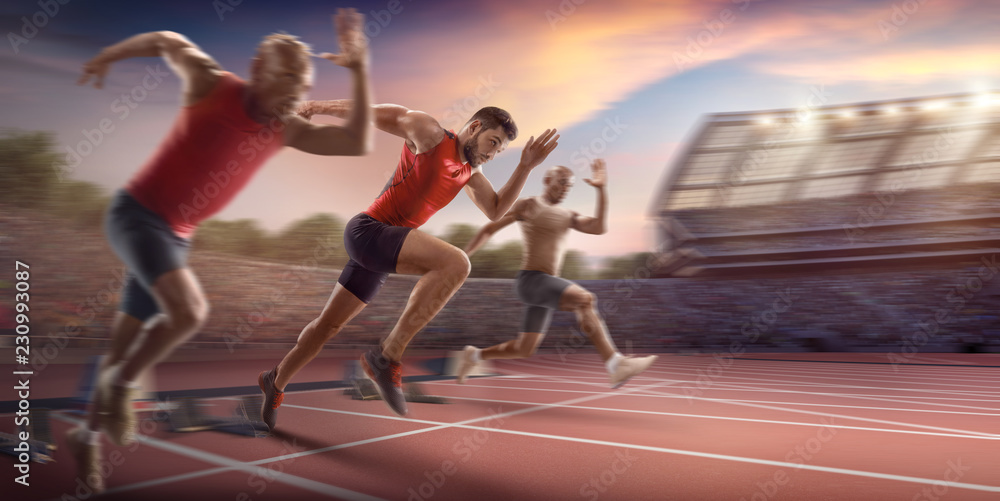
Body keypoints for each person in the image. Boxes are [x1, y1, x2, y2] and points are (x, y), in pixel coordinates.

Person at [64, 9, 373, 494]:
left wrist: (357, 70)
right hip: (135, 215)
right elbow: (169, 40)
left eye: (304, 80)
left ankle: (86, 434)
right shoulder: (211, 84)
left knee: (122, 352)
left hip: (176, 236)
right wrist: (109, 53)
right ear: (256, 70)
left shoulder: (285, 128)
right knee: (188, 314)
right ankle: (122, 389)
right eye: (287, 75)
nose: (297, 89)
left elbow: (357, 143)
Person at [258, 101, 559, 425]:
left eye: (499, 151)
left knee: (326, 327)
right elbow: (369, 112)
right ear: (474, 128)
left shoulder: (470, 173)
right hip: (368, 232)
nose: (492, 154)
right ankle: (386, 357)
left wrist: (526, 166)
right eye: (493, 143)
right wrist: (317, 106)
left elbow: (496, 209)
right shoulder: (428, 132)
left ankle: (274, 380)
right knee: (456, 264)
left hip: (382, 249)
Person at [457, 160, 657, 387]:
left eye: (569, 186)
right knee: (585, 300)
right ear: (547, 180)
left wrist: (601, 190)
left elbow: (599, 227)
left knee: (525, 348)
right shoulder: (528, 205)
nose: (564, 189)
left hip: (545, 286)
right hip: (531, 280)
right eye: (561, 183)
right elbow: (489, 229)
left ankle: (474, 355)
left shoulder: (568, 215)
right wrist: (463, 256)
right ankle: (615, 364)